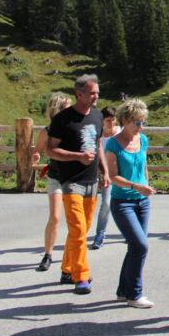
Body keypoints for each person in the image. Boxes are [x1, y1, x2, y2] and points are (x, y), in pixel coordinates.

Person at [46, 74, 107, 294]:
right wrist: (76, 156)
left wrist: (105, 171)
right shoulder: (63, 119)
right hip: (71, 182)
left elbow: (98, 144)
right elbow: (50, 150)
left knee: (82, 229)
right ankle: (81, 276)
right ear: (79, 94)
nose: (96, 96)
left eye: (97, 92)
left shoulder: (98, 116)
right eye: (92, 93)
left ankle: (66, 268)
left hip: (92, 181)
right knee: (79, 229)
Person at [105, 99, 156, 308]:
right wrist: (136, 186)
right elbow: (113, 176)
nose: (140, 127)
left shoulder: (142, 140)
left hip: (142, 201)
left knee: (135, 248)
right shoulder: (113, 144)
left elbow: (143, 166)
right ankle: (135, 294)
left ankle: (123, 291)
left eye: (142, 122)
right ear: (124, 121)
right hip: (122, 201)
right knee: (140, 246)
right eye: (136, 122)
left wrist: (147, 186)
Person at [33, 92, 71, 272]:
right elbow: (38, 150)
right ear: (57, 110)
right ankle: (48, 254)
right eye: (66, 108)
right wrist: (36, 155)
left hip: (75, 178)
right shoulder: (47, 132)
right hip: (56, 177)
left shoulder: (75, 128)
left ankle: (72, 255)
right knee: (55, 216)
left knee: (75, 220)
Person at [90, 106, 121, 250]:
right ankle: (100, 234)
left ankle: (131, 233)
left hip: (122, 173)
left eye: (113, 120)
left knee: (128, 203)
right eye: (108, 120)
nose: (111, 123)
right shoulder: (99, 136)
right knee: (106, 203)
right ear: (102, 121)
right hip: (106, 173)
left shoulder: (121, 133)